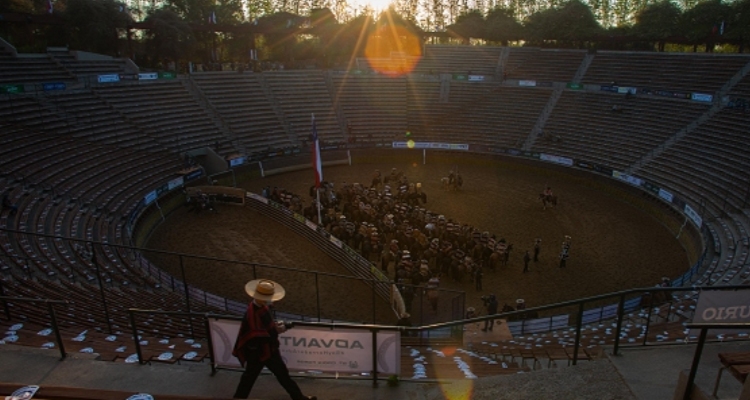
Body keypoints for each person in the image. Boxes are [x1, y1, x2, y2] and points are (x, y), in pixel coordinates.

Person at [232, 279, 316, 400]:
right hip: (264, 351)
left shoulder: (256, 308)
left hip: (258, 351)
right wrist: (281, 328)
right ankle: (299, 398)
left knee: (249, 378)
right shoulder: (256, 313)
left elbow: (264, 329)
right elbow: (267, 334)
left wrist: (275, 328)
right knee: (281, 376)